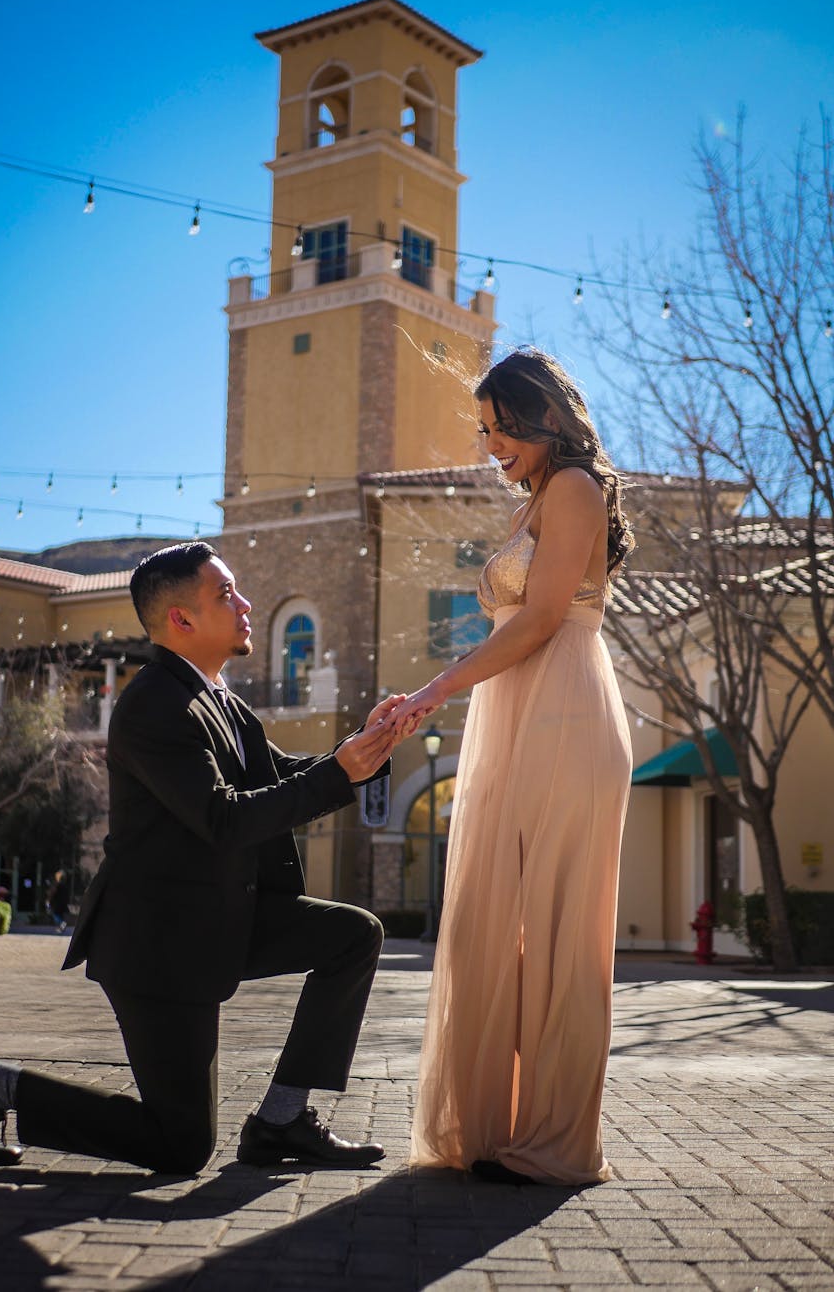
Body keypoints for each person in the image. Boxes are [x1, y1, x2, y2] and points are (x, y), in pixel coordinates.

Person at [0, 541, 402, 1173]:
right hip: (158, 944)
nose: (245, 605)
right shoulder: (153, 706)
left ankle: (282, 1119)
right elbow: (224, 817)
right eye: (225, 596)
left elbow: (277, 778)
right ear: (181, 620)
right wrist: (340, 770)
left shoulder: (221, 699)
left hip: (222, 919)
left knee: (352, 936)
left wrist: (361, 751)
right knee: (179, 1147)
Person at [396, 348, 634, 1186]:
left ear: (546, 418)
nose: (490, 443)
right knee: (497, 920)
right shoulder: (536, 500)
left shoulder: (573, 489)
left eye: (503, 428)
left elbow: (537, 622)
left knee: (561, 929)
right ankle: (498, 1127)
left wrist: (430, 691)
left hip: (564, 713)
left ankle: (555, 1141)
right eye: (483, 428)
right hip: (517, 714)